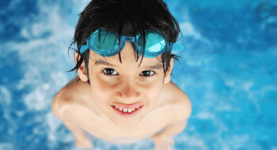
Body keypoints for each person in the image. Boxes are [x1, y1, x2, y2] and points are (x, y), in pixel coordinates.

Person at [51, 0, 191, 149]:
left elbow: (177, 125)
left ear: (167, 70)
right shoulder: (67, 105)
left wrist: (163, 137)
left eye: (146, 72)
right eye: (110, 71)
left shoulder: (177, 107)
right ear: (83, 68)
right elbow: (71, 122)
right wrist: (80, 137)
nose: (128, 95)